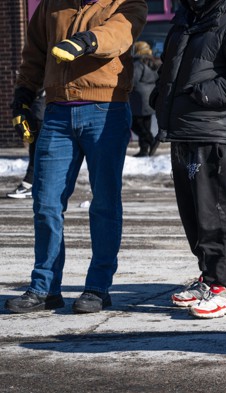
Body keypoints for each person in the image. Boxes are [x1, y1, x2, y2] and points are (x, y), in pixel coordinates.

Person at [4, 0, 147, 314]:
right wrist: (23, 96)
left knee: (105, 202)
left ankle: (97, 288)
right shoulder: (52, 5)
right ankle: (45, 288)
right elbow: (35, 54)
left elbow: (120, 34)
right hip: (57, 113)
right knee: (45, 202)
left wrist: (88, 41)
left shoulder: (126, 3)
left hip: (105, 110)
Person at [152, 0, 226, 318]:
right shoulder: (186, 21)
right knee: (195, 215)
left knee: (216, 210)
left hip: (214, 132)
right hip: (182, 131)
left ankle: (225, 288)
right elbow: (170, 69)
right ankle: (208, 278)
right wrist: (161, 96)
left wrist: (202, 94)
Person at [6, 90, 45, 199]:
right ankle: (32, 184)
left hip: (42, 111)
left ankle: (31, 184)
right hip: (38, 110)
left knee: (40, 151)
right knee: (36, 149)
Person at [129, 41, 159, 157]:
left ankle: (151, 141)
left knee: (135, 124)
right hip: (150, 96)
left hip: (139, 98)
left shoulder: (138, 63)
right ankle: (144, 150)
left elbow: (133, 81)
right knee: (146, 124)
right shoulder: (153, 61)